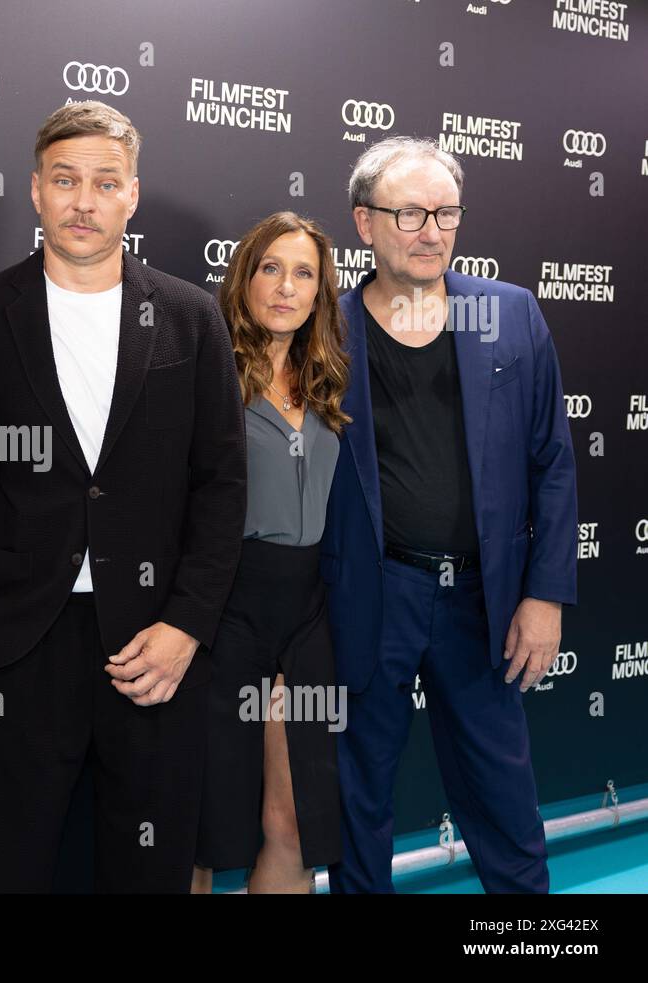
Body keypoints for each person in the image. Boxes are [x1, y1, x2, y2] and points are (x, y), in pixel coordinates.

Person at [0, 101, 246, 893]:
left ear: (132, 195)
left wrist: (187, 626)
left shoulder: (191, 317)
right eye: (65, 180)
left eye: (105, 183)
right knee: (8, 862)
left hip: (152, 643)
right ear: (35, 190)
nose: (84, 201)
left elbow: (222, 483)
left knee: (148, 869)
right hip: (23, 635)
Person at [324, 136, 577, 893]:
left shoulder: (511, 315)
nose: (431, 230)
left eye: (445, 212)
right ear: (364, 223)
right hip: (368, 597)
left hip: (485, 600)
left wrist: (545, 594)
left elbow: (553, 464)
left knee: (504, 798)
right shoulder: (322, 331)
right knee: (355, 796)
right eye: (409, 213)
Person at [191, 212, 350, 894]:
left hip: (308, 614)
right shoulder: (204, 370)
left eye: (305, 273)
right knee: (198, 822)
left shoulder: (332, 382)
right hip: (223, 607)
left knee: (294, 821)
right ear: (245, 277)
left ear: (321, 292)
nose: (287, 286)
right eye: (271, 268)